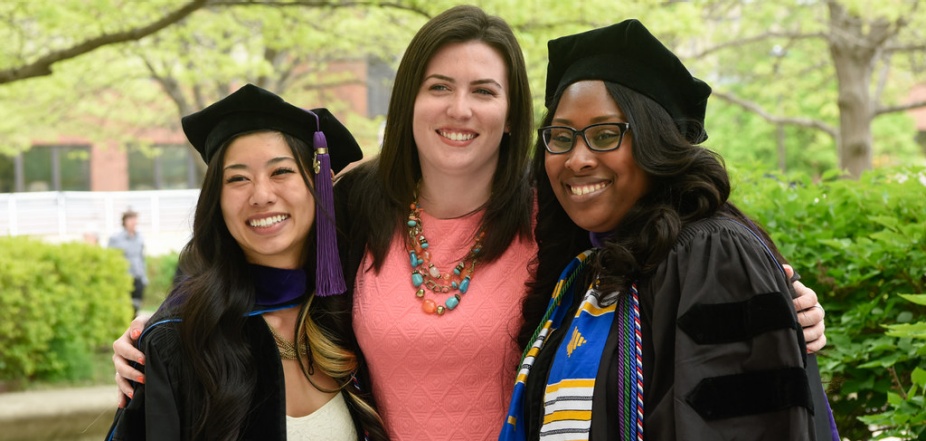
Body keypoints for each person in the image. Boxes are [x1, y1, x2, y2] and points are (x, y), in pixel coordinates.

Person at [111, 6, 827, 440]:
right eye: (439, 87)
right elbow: (251, 240)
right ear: (408, 102)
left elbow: (677, 219)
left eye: (484, 90)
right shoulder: (358, 203)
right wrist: (160, 330)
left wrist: (786, 302)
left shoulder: (563, 210)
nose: (460, 110)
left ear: (513, 111)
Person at [502, 20, 837, 440]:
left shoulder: (712, 252)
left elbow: (744, 419)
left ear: (654, 142)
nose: (577, 159)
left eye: (606, 134)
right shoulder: (583, 273)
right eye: (562, 136)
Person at [105, 84, 386, 440]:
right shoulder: (181, 339)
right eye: (237, 178)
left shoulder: (354, 313)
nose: (262, 195)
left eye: (281, 171)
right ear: (216, 201)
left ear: (319, 186)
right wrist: (153, 339)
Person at [109, 209, 147, 317]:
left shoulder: (139, 237)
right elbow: (112, 259)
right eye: (130, 219)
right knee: (125, 308)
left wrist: (144, 278)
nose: (133, 222)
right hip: (124, 278)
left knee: (136, 308)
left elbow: (141, 257)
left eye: (135, 219)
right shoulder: (115, 239)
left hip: (138, 277)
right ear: (125, 221)